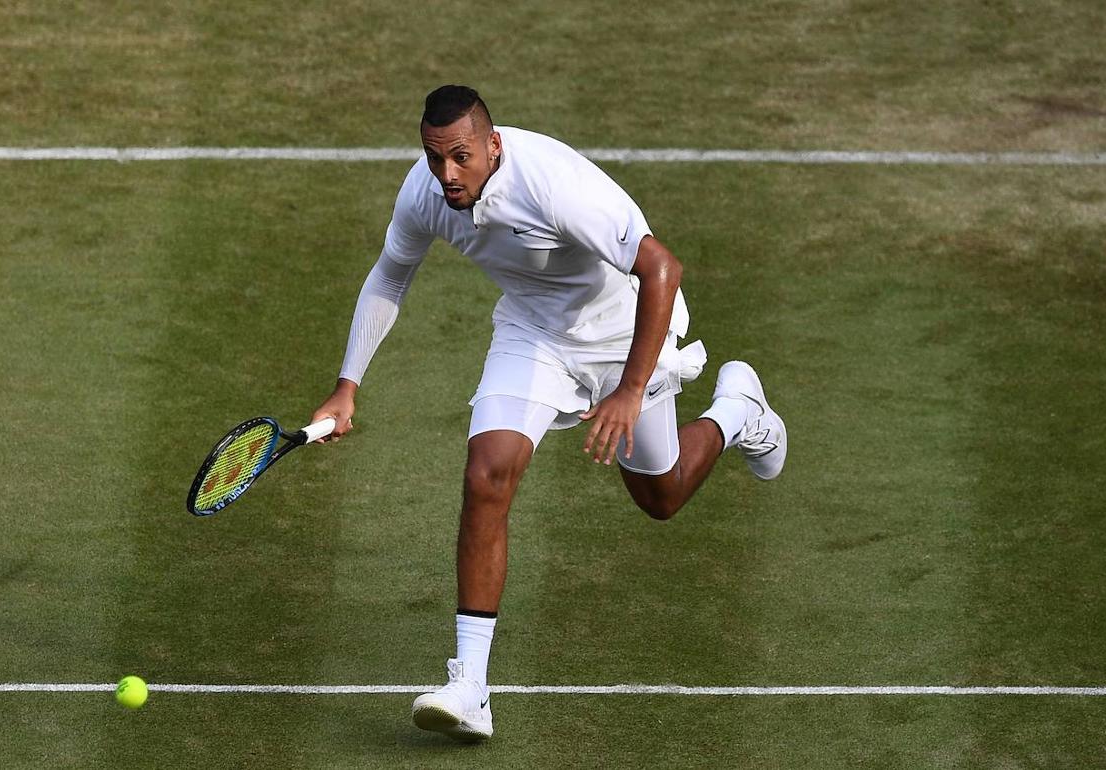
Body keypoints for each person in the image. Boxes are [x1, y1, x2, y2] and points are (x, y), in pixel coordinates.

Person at [310, 85, 786, 742]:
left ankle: (736, 411)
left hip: (626, 334)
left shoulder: (556, 186)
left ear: (493, 145)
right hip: (534, 335)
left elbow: (662, 270)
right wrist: (347, 385)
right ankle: (470, 685)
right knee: (487, 473)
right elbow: (391, 274)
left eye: (461, 157)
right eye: (433, 157)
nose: (447, 174)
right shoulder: (425, 194)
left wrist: (627, 389)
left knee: (662, 496)